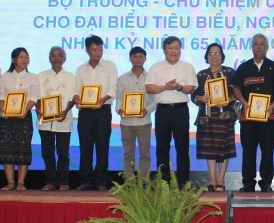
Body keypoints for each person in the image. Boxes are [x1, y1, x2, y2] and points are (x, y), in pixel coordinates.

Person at [232, 33, 274, 192]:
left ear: (266, 47)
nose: (258, 47)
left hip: (269, 116)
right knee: (248, 150)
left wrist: (273, 104)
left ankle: (266, 182)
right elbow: (236, 88)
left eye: (261, 44)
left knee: (268, 150)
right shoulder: (244, 67)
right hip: (248, 116)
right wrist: (244, 102)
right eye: (255, 44)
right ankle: (248, 182)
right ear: (252, 47)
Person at [145, 36, 197, 185]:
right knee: (162, 147)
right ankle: (164, 182)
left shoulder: (187, 67)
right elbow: (149, 87)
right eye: (170, 48)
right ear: (164, 50)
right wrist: (165, 87)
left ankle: (183, 182)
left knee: (182, 147)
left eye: (176, 48)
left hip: (180, 111)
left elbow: (191, 88)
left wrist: (178, 87)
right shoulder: (156, 67)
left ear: (180, 50)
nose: (174, 51)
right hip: (162, 111)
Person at [73, 35, 118, 191]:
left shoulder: (110, 66)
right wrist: (76, 98)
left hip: (103, 111)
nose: (98, 52)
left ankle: (101, 181)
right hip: (85, 112)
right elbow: (76, 89)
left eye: (100, 49)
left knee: (102, 146)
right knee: (85, 147)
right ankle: (86, 180)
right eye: (94, 49)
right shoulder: (81, 69)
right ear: (87, 50)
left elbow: (113, 87)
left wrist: (103, 99)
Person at [191, 43, 237, 192]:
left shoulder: (230, 72)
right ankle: (212, 179)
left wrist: (228, 100)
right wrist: (201, 98)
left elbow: (238, 92)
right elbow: (193, 95)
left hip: (225, 115)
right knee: (209, 149)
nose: (214, 56)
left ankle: (221, 180)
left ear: (222, 56)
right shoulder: (201, 75)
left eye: (217, 53)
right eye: (211, 53)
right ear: (207, 56)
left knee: (225, 148)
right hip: (207, 116)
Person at [0, 48, 39, 191]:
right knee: (6, 150)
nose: (25, 60)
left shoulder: (33, 77)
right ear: (14, 59)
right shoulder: (4, 77)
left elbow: (34, 97)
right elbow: (1, 95)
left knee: (22, 149)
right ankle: (10, 182)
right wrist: (3, 108)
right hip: (7, 118)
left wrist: (24, 110)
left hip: (24, 117)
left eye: (27, 57)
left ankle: (20, 182)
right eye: (21, 57)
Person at [37, 46, 75, 191]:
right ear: (49, 59)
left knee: (63, 153)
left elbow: (72, 98)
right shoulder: (41, 76)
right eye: (53, 55)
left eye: (59, 55)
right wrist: (39, 109)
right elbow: (37, 96)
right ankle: (50, 181)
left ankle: (63, 181)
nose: (56, 58)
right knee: (47, 153)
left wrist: (65, 111)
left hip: (63, 119)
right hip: (45, 121)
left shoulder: (71, 77)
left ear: (64, 59)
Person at [116, 46, 155, 180]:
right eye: (134, 56)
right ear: (130, 59)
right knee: (128, 154)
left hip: (144, 122)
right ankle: (129, 181)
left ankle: (144, 181)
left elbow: (155, 100)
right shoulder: (122, 78)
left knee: (145, 154)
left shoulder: (151, 78)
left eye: (140, 56)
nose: (137, 59)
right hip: (126, 122)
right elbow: (119, 98)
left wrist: (146, 110)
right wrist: (119, 109)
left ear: (145, 59)